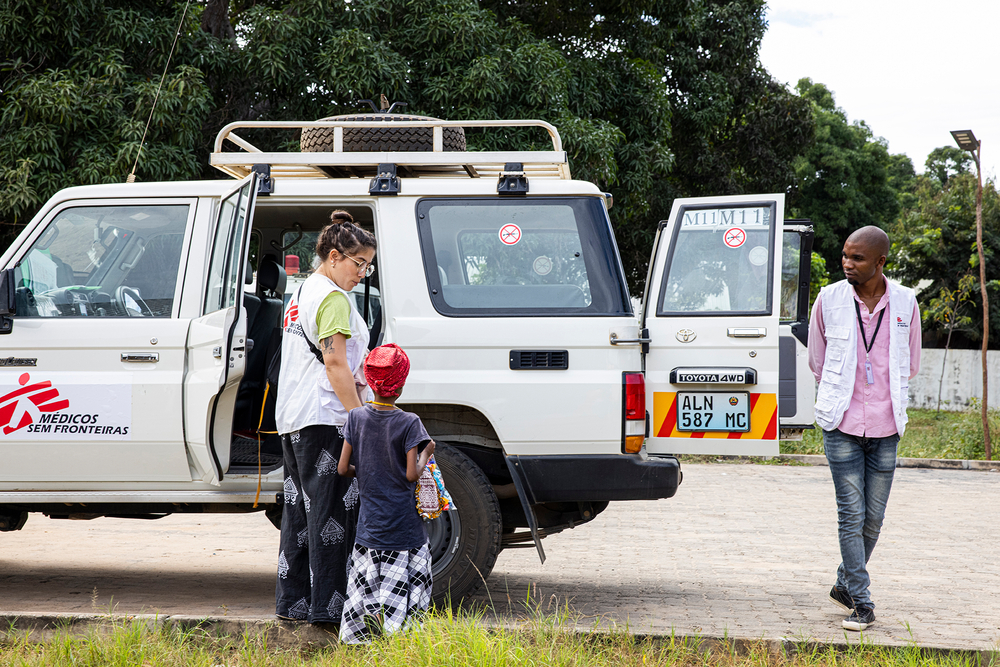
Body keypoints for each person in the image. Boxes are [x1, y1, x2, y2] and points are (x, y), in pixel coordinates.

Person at [808, 226, 921, 632]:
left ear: (880, 262)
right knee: (850, 514)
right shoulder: (829, 299)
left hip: (887, 424)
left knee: (874, 519)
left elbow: (910, 363)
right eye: (844, 255)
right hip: (841, 422)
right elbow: (817, 360)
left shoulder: (907, 302)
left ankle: (843, 583)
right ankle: (862, 601)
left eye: (856, 258)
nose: (846, 263)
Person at [274, 210, 377, 625]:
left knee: (299, 514)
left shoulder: (303, 291)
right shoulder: (333, 298)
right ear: (335, 256)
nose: (363, 274)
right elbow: (335, 364)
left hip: (296, 418)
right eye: (359, 264)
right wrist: (360, 419)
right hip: (325, 418)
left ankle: (294, 604)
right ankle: (330, 614)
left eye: (369, 266)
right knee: (332, 514)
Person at [336, 343, 436, 644]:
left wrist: (366, 471)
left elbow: (343, 468)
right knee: (408, 588)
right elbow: (410, 474)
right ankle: (401, 643)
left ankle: (362, 639)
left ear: (369, 380)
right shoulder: (409, 422)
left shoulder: (356, 418)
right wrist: (427, 451)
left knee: (366, 586)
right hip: (405, 530)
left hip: (369, 529)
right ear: (401, 385)